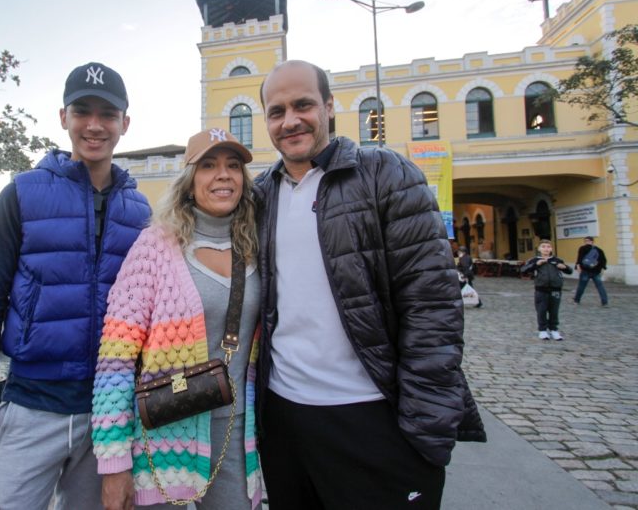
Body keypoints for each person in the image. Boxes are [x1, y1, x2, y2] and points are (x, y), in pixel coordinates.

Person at [253, 59, 486, 510]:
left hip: (373, 416)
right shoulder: (261, 194)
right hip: (285, 419)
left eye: (303, 105)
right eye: (276, 111)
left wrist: (423, 427)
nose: (290, 120)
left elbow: (433, 307)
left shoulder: (386, 174)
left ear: (329, 106)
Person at [0, 62, 151, 510]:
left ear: (125, 124)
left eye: (108, 113)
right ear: (64, 117)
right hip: (30, 407)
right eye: (83, 111)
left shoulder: (140, 211)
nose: (94, 125)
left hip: (108, 420)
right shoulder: (21, 194)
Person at [92, 128, 262, 510]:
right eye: (208, 166)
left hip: (235, 436)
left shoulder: (254, 246)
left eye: (233, 166)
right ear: (189, 180)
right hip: (162, 439)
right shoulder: (155, 246)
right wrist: (114, 463)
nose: (223, 175)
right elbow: (114, 361)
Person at [520, 239, 572, 340]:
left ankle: (554, 330)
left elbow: (569, 271)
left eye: (548, 247)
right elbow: (524, 270)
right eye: (543, 247)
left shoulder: (557, 260)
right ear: (539, 249)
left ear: (551, 249)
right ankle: (543, 330)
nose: (546, 249)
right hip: (541, 289)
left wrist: (564, 267)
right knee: (541, 310)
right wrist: (536, 264)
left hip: (555, 289)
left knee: (554, 311)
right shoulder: (534, 260)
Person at [572, 236, 608, 306]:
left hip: (585, 271)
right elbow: (603, 260)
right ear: (592, 241)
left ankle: (576, 300)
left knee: (581, 287)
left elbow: (579, 258)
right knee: (600, 287)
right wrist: (602, 268)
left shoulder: (582, 248)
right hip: (596, 271)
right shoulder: (599, 250)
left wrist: (578, 266)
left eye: (586, 241)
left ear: (588, 241)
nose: (586, 242)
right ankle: (604, 302)